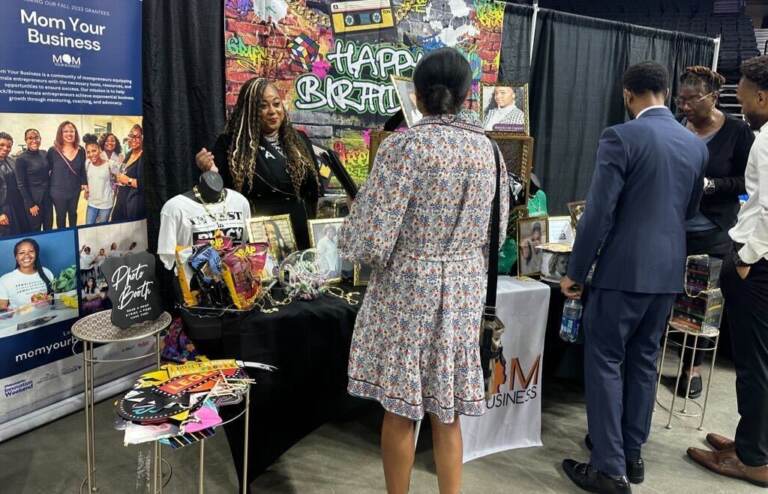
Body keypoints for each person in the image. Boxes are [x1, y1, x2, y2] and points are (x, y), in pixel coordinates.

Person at [339, 47, 509, 494]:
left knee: (401, 410)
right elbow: (500, 230)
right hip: (463, 291)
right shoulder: (490, 152)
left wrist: (353, 225)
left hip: (408, 290)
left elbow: (370, 243)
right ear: (466, 94)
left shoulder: (405, 146)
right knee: (446, 411)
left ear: (416, 95)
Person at [560, 62, 707, 493]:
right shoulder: (694, 144)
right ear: (665, 91)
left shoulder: (620, 136)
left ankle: (609, 468)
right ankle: (632, 454)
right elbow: (691, 210)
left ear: (628, 94)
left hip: (621, 270)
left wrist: (575, 272)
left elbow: (598, 213)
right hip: (667, 272)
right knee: (644, 361)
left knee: (605, 361)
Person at [687, 55, 768, 489]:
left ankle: (753, 459)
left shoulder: (765, 139)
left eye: (742, 93)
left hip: (758, 266)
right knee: (757, 363)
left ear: (759, 94)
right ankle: (749, 442)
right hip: (757, 260)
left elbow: (767, 208)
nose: (740, 101)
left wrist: (746, 258)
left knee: (755, 366)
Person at [673, 66, 754, 398]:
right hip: (674, 227)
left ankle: (692, 369)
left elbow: (748, 184)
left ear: (713, 98)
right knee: (669, 298)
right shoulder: (678, 128)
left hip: (713, 232)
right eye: (681, 99)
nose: (685, 106)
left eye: (692, 100)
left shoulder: (737, 133)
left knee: (699, 303)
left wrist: (713, 185)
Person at [195, 77, 321, 249]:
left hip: (300, 236)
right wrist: (211, 174)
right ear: (249, 110)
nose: (272, 111)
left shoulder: (299, 140)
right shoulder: (230, 145)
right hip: (260, 237)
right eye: (263, 106)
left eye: (276, 104)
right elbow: (220, 201)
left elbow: (313, 191)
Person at [48, 121, 87, 228]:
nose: (69, 134)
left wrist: (84, 183)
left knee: (73, 213)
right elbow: (47, 170)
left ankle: (73, 231)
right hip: (57, 191)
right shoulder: (53, 151)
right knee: (61, 216)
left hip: (75, 190)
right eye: (65, 131)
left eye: (72, 131)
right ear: (60, 133)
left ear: (75, 133)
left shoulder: (81, 150)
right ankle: (63, 235)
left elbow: (82, 168)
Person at [0, 238, 54, 311]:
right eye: (22, 252)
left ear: (36, 254)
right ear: (16, 257)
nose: (27, 255)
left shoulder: (47, 272)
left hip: (48, 318)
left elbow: (53, 300)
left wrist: (46, 300)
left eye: (31, 251)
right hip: (19, 321)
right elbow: (2, 310)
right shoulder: (5, 280)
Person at [15, 129, 53, 231]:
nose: (34, 140)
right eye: (30, 138)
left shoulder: (44, 153)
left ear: (40, 139)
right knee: (35, 229)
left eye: (36, 137)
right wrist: (31, 204)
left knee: (48, 226)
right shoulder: (21, 159)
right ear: (25, 140)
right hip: (34, 201)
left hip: (47, 199)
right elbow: (21, 184)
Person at [112, 124, 145, 222]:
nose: (133, 139)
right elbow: (123, 170)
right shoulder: (129, 153)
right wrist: (118, 176)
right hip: (121, 199)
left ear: (142, 138)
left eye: (137, 137)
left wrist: (127, 180)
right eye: (131, 136)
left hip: (133, 203)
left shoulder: (144, 156)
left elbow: (144, 184)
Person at [0, 132, 30, 237]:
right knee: (8, 236)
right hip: (4, 208)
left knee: (24, 232)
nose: (5, 148)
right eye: (2, 145)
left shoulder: (11, 160)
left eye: (9, 146)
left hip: (18, 205)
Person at [83, 134, 115, 224]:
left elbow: (120, 177)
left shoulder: (110, 164)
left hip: (105, 205)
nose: (91, 154)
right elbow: (86, 179)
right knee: (88, 228)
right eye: (88, 152)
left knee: (101, 230)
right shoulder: (87, 163)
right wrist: (86, 189)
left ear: (100, 150)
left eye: (94, 150)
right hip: (91, 203)